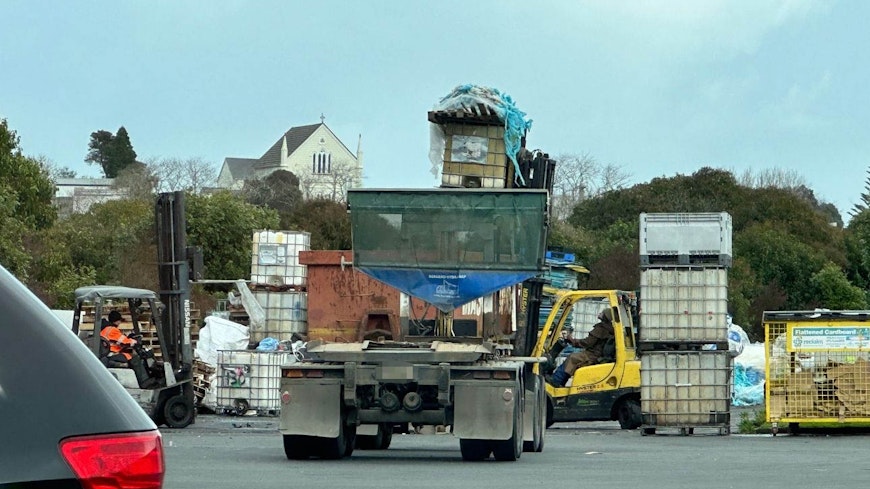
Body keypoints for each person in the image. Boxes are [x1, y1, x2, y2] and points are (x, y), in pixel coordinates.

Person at [549, 308, 616, 386]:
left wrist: (573, 340)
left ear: (606, 316)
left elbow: (587, 343)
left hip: (592, 355)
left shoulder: (601, 328)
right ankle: (560, 382)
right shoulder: (608, 328)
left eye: (602, 313)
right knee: (574, 356)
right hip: (595, 354)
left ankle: (556, 380)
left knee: (572, 357)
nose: (600, 313)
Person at [100, 310, 156, 388]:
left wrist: (128, 338)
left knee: (130, 355)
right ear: (116, 320)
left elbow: (117, 341)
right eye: (119, 320)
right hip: (111, 355)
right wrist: (134, 341)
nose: (120, 323)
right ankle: (144, 382)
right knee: (134, 358)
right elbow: (125, 341)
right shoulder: (112, 330)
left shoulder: (106, 329)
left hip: (109, 353)